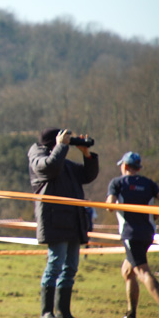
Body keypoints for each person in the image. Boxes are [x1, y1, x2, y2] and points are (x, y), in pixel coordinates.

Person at [28, 128, 99, 318]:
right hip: (55, 220)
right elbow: (49, 168)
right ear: (54, 143)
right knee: (55, 264)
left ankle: (63, 311)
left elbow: (87, 176)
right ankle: (47, 312)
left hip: (73, 221)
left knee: (70, 268)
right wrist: (62, 146)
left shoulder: (64, 162)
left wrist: (87, 155)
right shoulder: (38, 158)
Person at [105, 151, 159, 318]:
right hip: (147, 233)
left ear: (125, 166)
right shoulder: (149, 183)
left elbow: (109, 206)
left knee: (142, 272)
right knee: (128, 271)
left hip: (130, 234)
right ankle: (131, 313)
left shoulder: (117, 183)